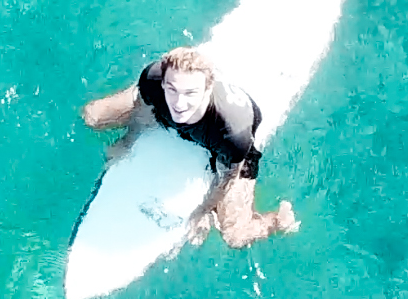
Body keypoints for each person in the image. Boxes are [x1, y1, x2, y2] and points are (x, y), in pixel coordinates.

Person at [79, 47, 303, 249]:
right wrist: (128, 141)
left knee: (234, 235)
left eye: (190, 93)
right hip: (167, 108)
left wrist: (202, 210)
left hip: (229, 150)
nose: (179, 103)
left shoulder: (230, 132)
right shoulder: (153, 79)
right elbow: (143, 107)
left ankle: (277, 221)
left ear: (207, 90)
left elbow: (227, 179)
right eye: (172, 89)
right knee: (92, 116)